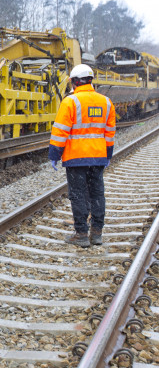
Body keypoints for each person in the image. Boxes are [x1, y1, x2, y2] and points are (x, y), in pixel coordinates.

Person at [49, 64, 116, 248]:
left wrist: (55, 154)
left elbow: (60, 131)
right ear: (91, 81)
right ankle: (97, 233)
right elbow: (110, 133)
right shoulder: (106, 102)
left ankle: (81, 234)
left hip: (76, 158)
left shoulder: (70, 102)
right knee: (97, 194)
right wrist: (108, 154)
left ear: (73, 81)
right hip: (98, 157)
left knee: (78, 195)